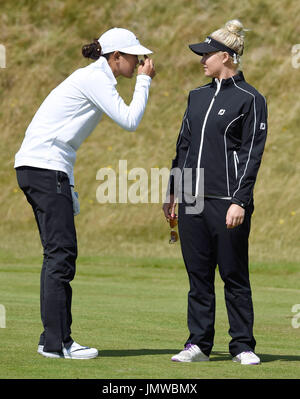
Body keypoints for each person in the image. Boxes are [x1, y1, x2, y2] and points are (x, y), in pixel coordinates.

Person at [14, 27, 155, 359]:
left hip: (44, 168)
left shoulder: (92, 78)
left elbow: (65, 140)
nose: (140, 61)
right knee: (60, 257)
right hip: (45, 169)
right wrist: (145, 81)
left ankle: (51, 337)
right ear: (115, 56)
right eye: (134, 56)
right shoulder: (95, 79)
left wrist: (70, 186)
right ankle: (57, 343)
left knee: (57, 255)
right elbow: (130, 120)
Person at [163, 20, 267, 365]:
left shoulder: (251, 99)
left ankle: (242, 346)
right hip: (191, 200)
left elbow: (253, 154)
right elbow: (183, 147)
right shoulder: (196, 96)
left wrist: (240, 200)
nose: (201, 60)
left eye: (206, 55)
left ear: (226, 56)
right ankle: (198, 345)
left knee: (234, 275)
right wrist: (173, 191)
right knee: (199, 277)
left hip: (227, 202)